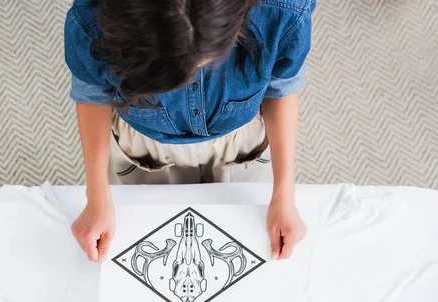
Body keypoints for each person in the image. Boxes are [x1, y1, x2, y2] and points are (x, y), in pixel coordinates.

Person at [65, 0, 314, 263]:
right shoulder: (93, 17)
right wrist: (96, 195)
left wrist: (285, 194)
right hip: (142, 146)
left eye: (206, 61)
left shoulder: (285, 9)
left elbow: (281, 86)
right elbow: (93, 94)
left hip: (243, 143)